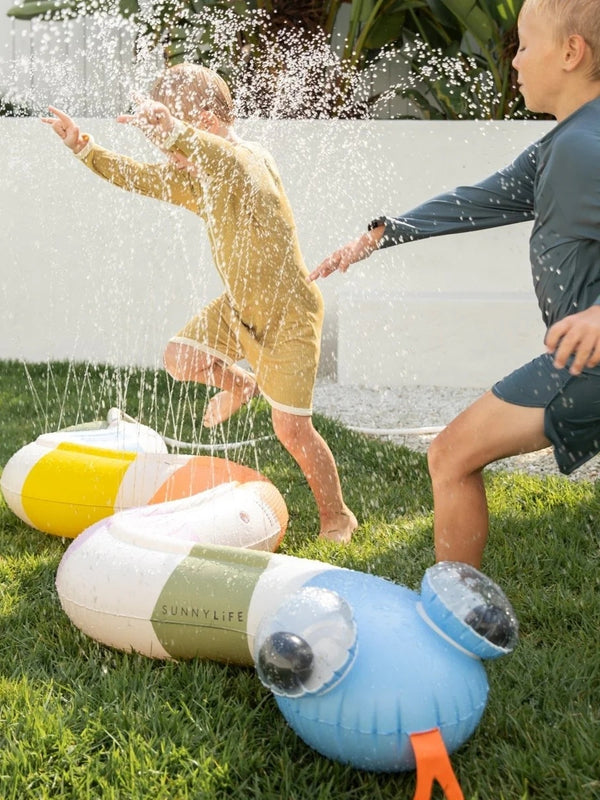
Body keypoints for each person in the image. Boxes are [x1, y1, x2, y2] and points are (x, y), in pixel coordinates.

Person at [308, 0, 600, 566]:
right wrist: (383, 234)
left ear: (571, 52)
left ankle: (457, 613)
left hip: (587, 362)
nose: (513, 62)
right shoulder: (563, 144)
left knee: (450, 455)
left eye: (524, 45)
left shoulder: (584, 149)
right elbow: (480, 200)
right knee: (452, 455)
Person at [42, 63, 357, 543]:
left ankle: (337, 516)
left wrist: (174, 131)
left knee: (292, 431)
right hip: (238, 309)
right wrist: (83, 147)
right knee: (180, 356)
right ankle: (241, 385)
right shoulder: (198, 180)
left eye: (170, 141)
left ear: (206, 122)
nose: (167, 154)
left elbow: (227, 161)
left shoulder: (249, 159)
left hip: (289, 313)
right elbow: (139, 177)